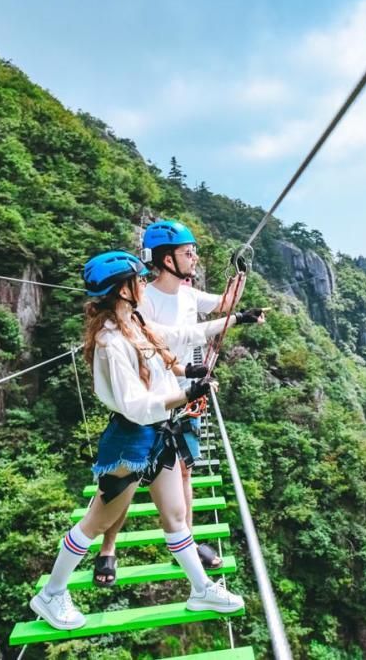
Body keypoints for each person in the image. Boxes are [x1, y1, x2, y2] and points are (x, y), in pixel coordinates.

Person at [29, 250, 255, 630]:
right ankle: (50, 594)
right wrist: (187, 394)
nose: (143, 285)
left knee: (176, 517)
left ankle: (200, 588)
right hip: (131, 439)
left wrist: (192, 367)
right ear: (124, 290)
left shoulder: (134, 321)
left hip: (159, 433)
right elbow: (134, 404)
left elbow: (178, 337)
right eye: (137, 281)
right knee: (97, 522)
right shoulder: (110, 342)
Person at [92, 220, 265, 587]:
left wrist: (240, 284)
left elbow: (221, 305)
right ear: (167, 259)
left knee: (183, 469)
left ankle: (183, 540)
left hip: (188, 390)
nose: (194, 258)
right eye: (188, 253)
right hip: (151, 394)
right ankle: (108, 547)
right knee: (127, 477)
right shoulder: (143, 298)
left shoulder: (188, 294)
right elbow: (159, 340)